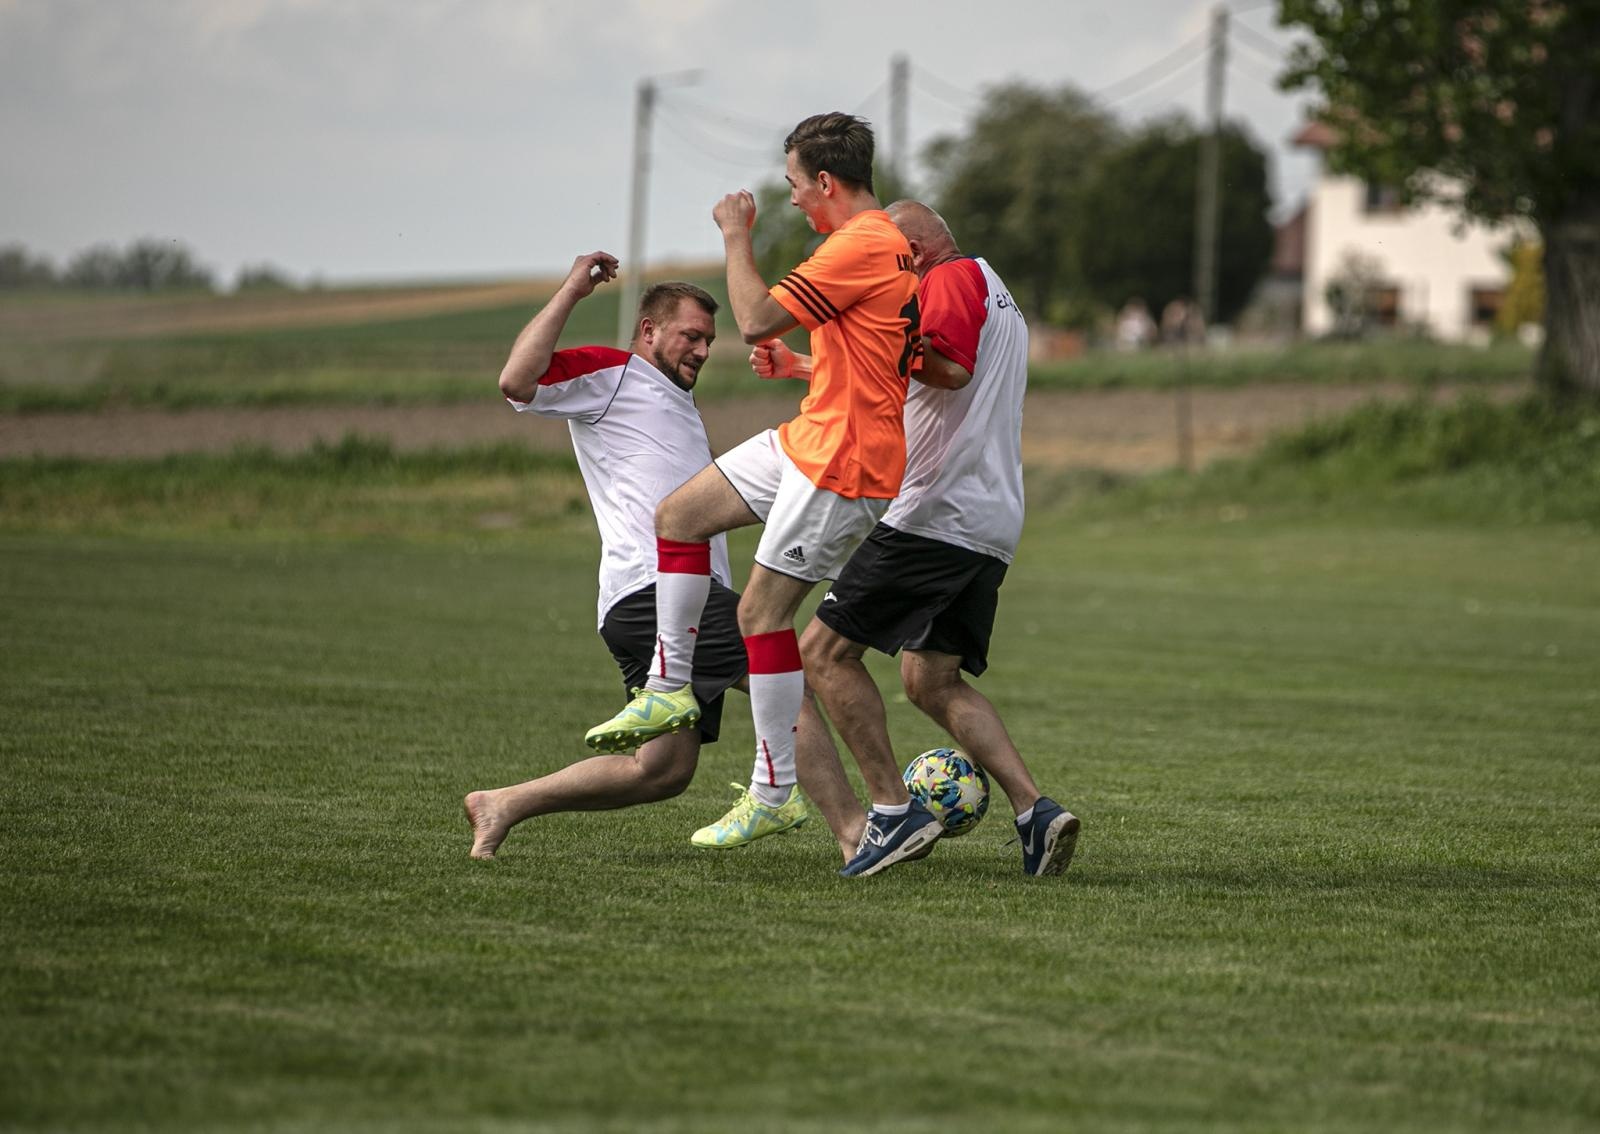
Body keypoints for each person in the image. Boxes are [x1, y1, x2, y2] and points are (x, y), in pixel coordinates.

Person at [582, 112, 937, 869]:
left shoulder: (861, 242)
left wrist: (735, 233)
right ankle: (668, 685)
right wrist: (806, 366)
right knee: (679, 516)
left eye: (795, 185)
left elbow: (752, 318)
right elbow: (874, 358)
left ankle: (774, 793)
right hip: (814, 436)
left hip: (843, 462)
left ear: (826, 181)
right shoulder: (882, 246)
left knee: (758, 615)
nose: (794, 199)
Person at [462, 251, 835, 860]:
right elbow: (516, 382)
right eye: (690, 335)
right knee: (785, 679)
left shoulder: (677, 401)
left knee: (662, 771)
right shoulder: (614, 374)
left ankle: (502, 804)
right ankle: (855, 833)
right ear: (648, 331)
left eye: (709, 340)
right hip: (652, 588)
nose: (703, 350)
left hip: (657, 601)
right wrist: (572, 290)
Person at [764, 201, 1080, 877]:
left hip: (935, 512)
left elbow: (948, 367)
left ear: (913, 248)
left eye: (889, 254)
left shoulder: (951, 278)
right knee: (930, 680)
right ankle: (1036, 812)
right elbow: (914, 376)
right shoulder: (993, 291)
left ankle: (891, 811)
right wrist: (803, 368)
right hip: (988, 520)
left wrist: (875, 335)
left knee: (821, 654)